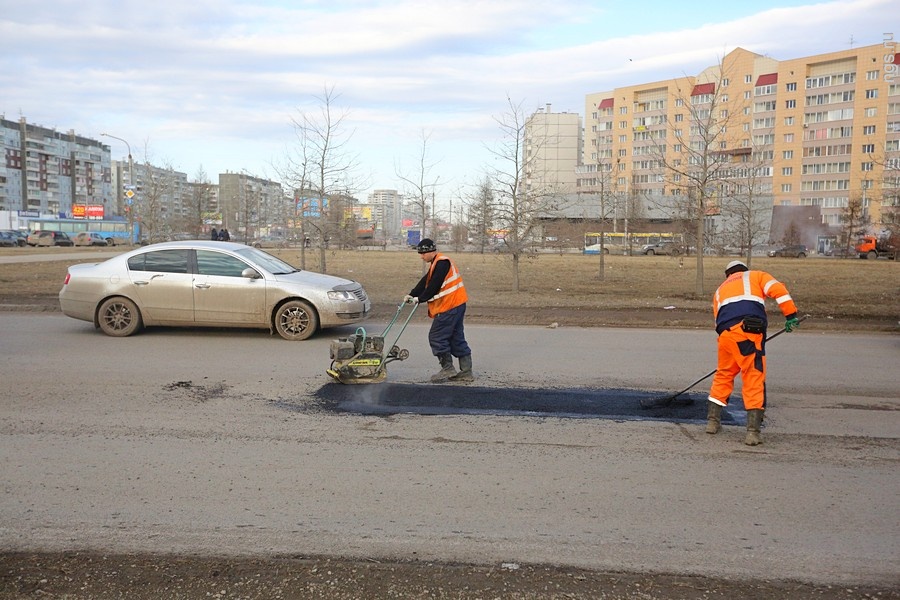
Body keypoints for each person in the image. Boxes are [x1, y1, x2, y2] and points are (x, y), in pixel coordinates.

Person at [706, 260, 800, 445]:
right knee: (753, 376)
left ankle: (712, 422)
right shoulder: (756, 276)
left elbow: (718, 319)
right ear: (743, 270)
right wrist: (791, 316)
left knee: (724, 374)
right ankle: (753, 432)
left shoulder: (720, 290)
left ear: (728, 274)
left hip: (725, 336)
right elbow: (778, 290)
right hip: (748, 332)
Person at [404, 238, 474, 383]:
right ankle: (466, 372)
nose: (421, 256)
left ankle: (447, 368)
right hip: (456, 304)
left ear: (431, 251)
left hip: (450, 305)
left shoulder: (442, 262)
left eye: (423, 253)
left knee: (437, 336)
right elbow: (426, 281)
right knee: (456, 337)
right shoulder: (437, 263)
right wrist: (412, 294)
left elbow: (434, 285)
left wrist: (420, 299)